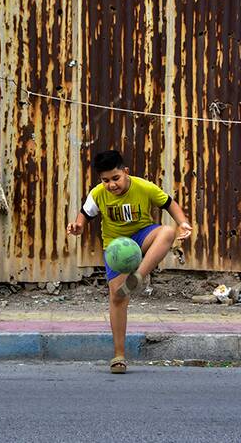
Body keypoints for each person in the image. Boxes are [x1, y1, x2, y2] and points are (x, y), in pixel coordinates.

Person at [66, 150, 192, 374]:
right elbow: (84, 214)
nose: (111, 185)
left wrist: (183, 223)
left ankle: (138, 277)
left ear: (125, 172)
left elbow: (169, 204)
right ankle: (119, 356)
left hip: (142, 237)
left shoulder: (144, 187)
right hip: (116, 248)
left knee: (166, 232)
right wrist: (78, 226)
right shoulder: (98, 194)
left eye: (116, 178)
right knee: (117, 297)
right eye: (106, 180)